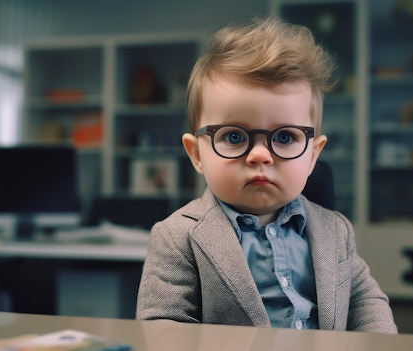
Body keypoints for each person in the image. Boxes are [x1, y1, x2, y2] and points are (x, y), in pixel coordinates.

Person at [136, 17, 397, 334]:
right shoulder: (177, 237)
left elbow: (366, 303)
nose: (260, 155)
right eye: (233, 137)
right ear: (196, 154)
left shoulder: (336, 230)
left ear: (313, 154)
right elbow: (162, 327)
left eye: (285, 137)